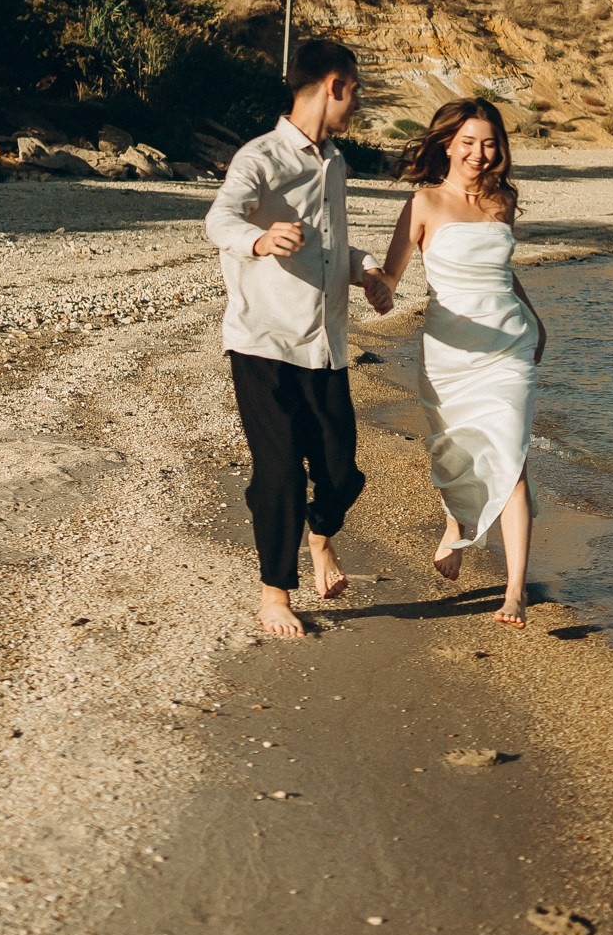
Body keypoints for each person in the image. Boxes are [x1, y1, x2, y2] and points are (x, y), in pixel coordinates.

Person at [203, 39, 396, 639]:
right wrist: (259, 241)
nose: (356, 100)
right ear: (334, 84)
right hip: (262, 343)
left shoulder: (334, 162)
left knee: (343, 475)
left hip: (326, 347)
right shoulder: (260, 157)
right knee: (280, 469)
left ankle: (320, 536)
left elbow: (331, 245)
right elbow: (219, 220)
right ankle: (274, 594)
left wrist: (365, 270)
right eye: (356, 89)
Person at [373, 99, 546, 628]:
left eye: (489, 142)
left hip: (509, 346)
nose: (479, 153)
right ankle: (458, 524)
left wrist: (537, 321)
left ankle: (514, 591)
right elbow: (391, 276)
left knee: (512, 459)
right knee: (457, 450)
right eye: (468, 142)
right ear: (447, 144)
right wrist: (367, 283)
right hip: (451, 351)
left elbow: (501, 274)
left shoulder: (502, 200)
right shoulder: (424, 203)